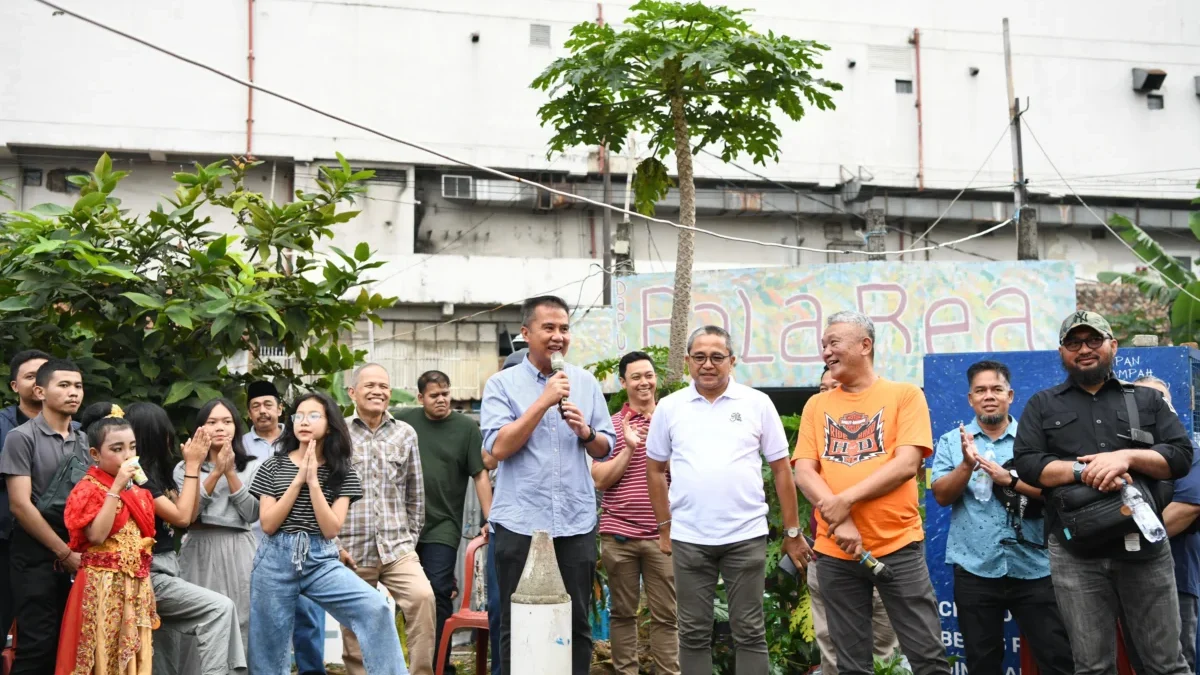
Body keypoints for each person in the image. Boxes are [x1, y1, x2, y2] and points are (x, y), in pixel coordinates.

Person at [1013, 311, 1193, 675]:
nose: (1084, 349)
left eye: (1094, 340)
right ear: (1062, 352)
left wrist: (1124, 458)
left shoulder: (1147, 401)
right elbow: (1029, 465)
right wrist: (1087, 471)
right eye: (1074, 343)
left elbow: (1179, 456)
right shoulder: (1042, 404)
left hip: (1144, 547)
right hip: (1075, 555)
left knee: (1166, 665)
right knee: (1093, 667)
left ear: (1113, 345)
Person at [793, 312, 951, 675]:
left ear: (865, 345)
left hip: (898, 546)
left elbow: (906, 464)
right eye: (823, 345)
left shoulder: (904, 395)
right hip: (835, 554)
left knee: (927, 656)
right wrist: (841, 521)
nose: (826, 351)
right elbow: (804, 471)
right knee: (850, 663)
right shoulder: (817, 405)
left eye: (834, 342)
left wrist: (842, 505)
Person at [644, 326, 808, 675]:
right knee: (692, 633)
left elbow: (782, 470)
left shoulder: (757, 403)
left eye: (717, 357)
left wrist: (792, 532)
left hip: (745, 536)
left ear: (732, 361)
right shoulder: (670, 408)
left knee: (749, 631)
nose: (708, 364)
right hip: (689, 538)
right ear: (687, 361)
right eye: (700, 357)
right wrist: (664, 527)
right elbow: (655, 470)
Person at [481, 296, 615, 675]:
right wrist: (542, 402)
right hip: (520, 519)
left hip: (575, 520)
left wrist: (585, 431)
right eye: (549, 328)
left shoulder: (585, 383)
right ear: (526, 334)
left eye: (564, 329)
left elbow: (606, 447)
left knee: (577, 622)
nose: (558, 337)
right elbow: (499, 448)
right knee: (513, 620)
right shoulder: (501, 384)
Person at [249, 391, 408, 675]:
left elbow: (331, 528)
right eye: (298, 416)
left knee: (376, 609)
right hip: (274, 559)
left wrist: (313, 482)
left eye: (313, 416)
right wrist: (298, 481)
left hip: (321, 558)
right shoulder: (273, 465)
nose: (303, 422)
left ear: (330, 425)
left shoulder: (343, 472)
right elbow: (269, 524)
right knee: (269, 653)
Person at [930, 360, 1073, 675]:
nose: (988, 396)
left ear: (1010, 395)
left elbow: (1058, 494)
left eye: (996, 389)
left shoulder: (1034, 440)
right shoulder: (953, 442)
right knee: (983, 663)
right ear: (970, 399)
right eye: (980, 390)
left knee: (1058, 658)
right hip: (975, 567)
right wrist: (966, 465)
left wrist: (1009, 480)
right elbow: (941, 496)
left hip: (1034, 566)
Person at [126, 401, 248, 675]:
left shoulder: (159, 474)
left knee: (164, 654)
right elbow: (182, 518)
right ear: (156, 436)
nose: (172, 440)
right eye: (167, 433)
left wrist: (215, 471)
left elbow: (187, 514)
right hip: (149, 573)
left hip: (167, 568)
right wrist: (194, 466)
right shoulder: (136, 476)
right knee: (219, 608)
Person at [338, 364, 436, 675]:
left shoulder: (405, 433)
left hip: (397, 547)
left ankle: (419, 671)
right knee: (355, 623)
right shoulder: (338, 434)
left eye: (383, 386)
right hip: (352, 548)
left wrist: (409, 538)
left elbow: (415, 493)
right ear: (353, 392)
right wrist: (334, 543)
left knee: (423, 598)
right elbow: (327, 490)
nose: (377, 391)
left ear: (390, 393)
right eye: (369, 385)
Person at [396, 370, 492, 675]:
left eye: (446, 394)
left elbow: (479, 474)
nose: (442, 400)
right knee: (405, 595)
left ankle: (440, 665)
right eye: (434, 395)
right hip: (400, 525)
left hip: (443, 526)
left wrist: (491, 519)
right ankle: (404, 661)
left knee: (438, 591)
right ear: (420, 397)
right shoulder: (402, 420)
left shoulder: (465, 427)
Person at [807, 366, 900, 675]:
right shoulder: (813, 432)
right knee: (831, 644)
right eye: (824, 388)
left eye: (838, 386)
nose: (831, 393)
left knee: (883, 645)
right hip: (827, 555)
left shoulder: (880, 427)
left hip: (880, 551)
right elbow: (800, 476)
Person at [592, 351, 679, 675]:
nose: (644, 382)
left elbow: (688, 476)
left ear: (655, 379)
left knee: (666, 616)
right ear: (623, 382)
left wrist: (667, 455)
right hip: (619, 534)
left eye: (648, 375)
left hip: (664, 537)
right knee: (623, 613)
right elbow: (600, 479)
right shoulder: (610, 427)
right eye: (636, 377)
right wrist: (629, 446)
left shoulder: (672, 422)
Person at [0, 358, 89, 674]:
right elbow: (20, 506)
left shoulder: (84, 439)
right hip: (35, 556)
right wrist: (63, 552)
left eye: (77, 386)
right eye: (63, 385)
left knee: (74, 647)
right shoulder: (21, 437)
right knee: (37, 648)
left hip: (78, 554)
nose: (73, 393)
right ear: (40, 391)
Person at [55, 410, 158, 674]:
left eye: (132, 447)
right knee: (100, 654)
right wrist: (116, 489)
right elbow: (97, 536)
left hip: (134, 588)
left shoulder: (140, 492)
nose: (127, 455)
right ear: (95, 455)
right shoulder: (88, 489)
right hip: (100, 588)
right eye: (117, 448)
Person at [244, 380, 327, 675]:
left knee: (310, 622)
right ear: (249, 413)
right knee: (269, 627)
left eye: (269, 405)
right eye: (256, 406)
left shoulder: (301, 441)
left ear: (281, 409)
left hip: (306, 547)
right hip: (259, 546)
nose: (263, 411)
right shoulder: (239, 446)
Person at [1119, 376, 1200, 673]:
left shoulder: (1192, 456)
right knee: (1140, 664)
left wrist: (1118, 531)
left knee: (1176, 664)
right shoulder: (1120, 457)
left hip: (1176, 580)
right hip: (1126, 581)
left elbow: (1184, 512)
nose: (1153, 405)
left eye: (1161, 399)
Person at [175, 398, 263, 670]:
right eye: (211, 422)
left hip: (240, 545)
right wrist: (215, 473)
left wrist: (231, 473)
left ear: (236, 426)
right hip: (199, 546)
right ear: (200, 427)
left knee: (243, 617)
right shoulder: (185, 468)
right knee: (198, 618)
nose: (219, 428)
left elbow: (252, 513)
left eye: (226, 421)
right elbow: (189, 514)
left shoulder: (252, 465)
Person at [480, 349, 527, 675]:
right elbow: (488, 460)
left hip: (548, 528)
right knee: (500, 608)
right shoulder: (496, 415)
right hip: (504, 525)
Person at [0, 349, 51, 642]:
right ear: (14, 386)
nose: (37, 382)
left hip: (54, 545)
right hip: (5, 541)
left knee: (43, 633)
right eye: (30, 376)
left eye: (43, 375)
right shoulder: (3, 425)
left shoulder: (75, 431)